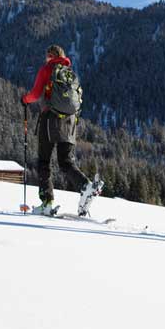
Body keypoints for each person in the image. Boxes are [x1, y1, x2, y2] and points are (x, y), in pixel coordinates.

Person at [21, 44, 103, 216]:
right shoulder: (70, 74)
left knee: (44, 161)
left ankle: (47, 202)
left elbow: (36, 94)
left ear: (50, 56)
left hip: (50, 119)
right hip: (70, 121)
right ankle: (85, 185)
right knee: (66, 161)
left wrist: (25, 100)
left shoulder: (47, 70)